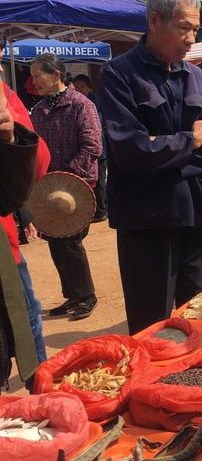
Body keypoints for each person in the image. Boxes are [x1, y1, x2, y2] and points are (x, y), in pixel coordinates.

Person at [100, 0, 202, 335]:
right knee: (150, 326)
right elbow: (130, 151)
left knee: (201, 319)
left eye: (196, 30)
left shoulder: (198, 77)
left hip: (196, 219)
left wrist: (164, 151)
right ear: (155, 21)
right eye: (184, 28)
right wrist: (190, 140)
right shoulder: (118, 75)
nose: (191, 39)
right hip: (146, 225)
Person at [30, 55, 102, 321]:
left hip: (77, 183)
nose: (34, 81)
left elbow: (92, 145)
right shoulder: (38, 110)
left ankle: (86, 295)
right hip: (49, 187)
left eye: (38, 75)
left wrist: (66, 177)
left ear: (56, 74)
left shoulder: (81, 105)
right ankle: (73, 294)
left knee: (70, 241)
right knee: (55, 241)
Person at [0, 82, 48, 388]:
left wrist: (11, 134)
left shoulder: (3, 93)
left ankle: (42, 394)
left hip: (4, 252)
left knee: (26, 321)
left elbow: (39, 163)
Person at [72, 73, 108, 222]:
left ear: (90, 88)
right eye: (77, 87)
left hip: (99, 149)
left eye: (83, 87)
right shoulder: (80, 104)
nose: (80, 90)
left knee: (99, 181)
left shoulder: (93, 104)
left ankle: (101, 211)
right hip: (94, 149)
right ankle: (101, 209)